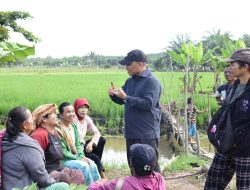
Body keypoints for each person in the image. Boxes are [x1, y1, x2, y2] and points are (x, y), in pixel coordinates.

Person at [107, 49, 162, 172]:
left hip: (146, 134)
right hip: (131, 133)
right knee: (134, 167)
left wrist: (126, 97)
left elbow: (148, 104)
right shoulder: (129, 81)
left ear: (140, 64)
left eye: (129, 64)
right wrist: (113, 95)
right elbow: (122, 101)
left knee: (150, 168)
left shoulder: (152, 81)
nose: (126, 67)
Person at [205, 48, 250, 189]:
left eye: (233, 64)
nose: (229, 68)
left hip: (245, 150)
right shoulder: (234, 86)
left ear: (245, 66)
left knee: (244, 187)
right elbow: (224, 111)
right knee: (212, 182)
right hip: (225, 144)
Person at [2, 106, 69, 190]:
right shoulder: (28, 145)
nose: (34, 119)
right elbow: (41, 177)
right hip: (24, 187)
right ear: (25, 125)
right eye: (31, 117)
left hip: (7, 185)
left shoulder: (5, 138)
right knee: (63, 186)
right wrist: (54, 181)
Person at [31, 104, 84, 185]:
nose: (56, 116)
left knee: (78, 175)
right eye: (53, 114)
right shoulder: (40, 135)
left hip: (58, 167)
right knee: (64, 178)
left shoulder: (55, 131)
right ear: (44, 119)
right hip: (47, 172)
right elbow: (34, 162)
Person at [57, 102, 101, 185]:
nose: (72, 114)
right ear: (61, 114)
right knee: (84, 166)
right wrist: (77, 158)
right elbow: (62, 151)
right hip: (64, 160)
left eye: (73, 111)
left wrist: (81, 156)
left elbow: (77, 144)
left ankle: (98, 185)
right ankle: (90, 187)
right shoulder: (58, 130)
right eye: (68, 112)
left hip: (75, 157)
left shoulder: (73, 126)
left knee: (92, 164)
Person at [87, 143, 166, 190]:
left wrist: (99, 182)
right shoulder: (159, 178)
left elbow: (91, 189)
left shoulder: (122, 183)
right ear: (154, 165)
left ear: (131, 166)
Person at [73, 98, 106, 178]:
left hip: (82, 144)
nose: (83, 110)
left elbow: (97, 133)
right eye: (80, 108)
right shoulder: (73, 119)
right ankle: (102, 175)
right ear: (76, 108)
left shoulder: (86, 118)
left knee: (101, 140)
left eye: (85, 108)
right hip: (75, 147)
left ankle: (96, 165)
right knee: (94, 157)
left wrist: (91, 143)